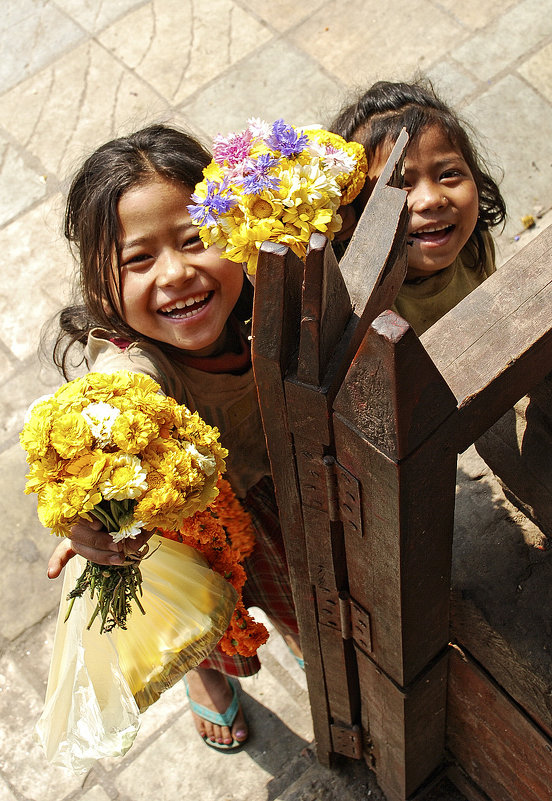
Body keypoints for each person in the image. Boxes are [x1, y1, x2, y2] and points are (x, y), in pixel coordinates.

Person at [46, 124, 301, 751]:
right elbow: (95, 425)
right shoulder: (135, 371)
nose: (177, 273)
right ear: (100, 283)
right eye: (138, 258)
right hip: (194, 534)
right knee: (207, 630)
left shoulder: (273, 299)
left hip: (287, 493)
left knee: (304, 595)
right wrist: (84, 511)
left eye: (197, 239)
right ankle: (210, 684)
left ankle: (303, 637)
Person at [330, 79, 506, 334]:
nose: (431, 200)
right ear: (352, 216)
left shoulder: (474, 242)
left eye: (448, 174)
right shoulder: (358, 305)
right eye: (400, 185)